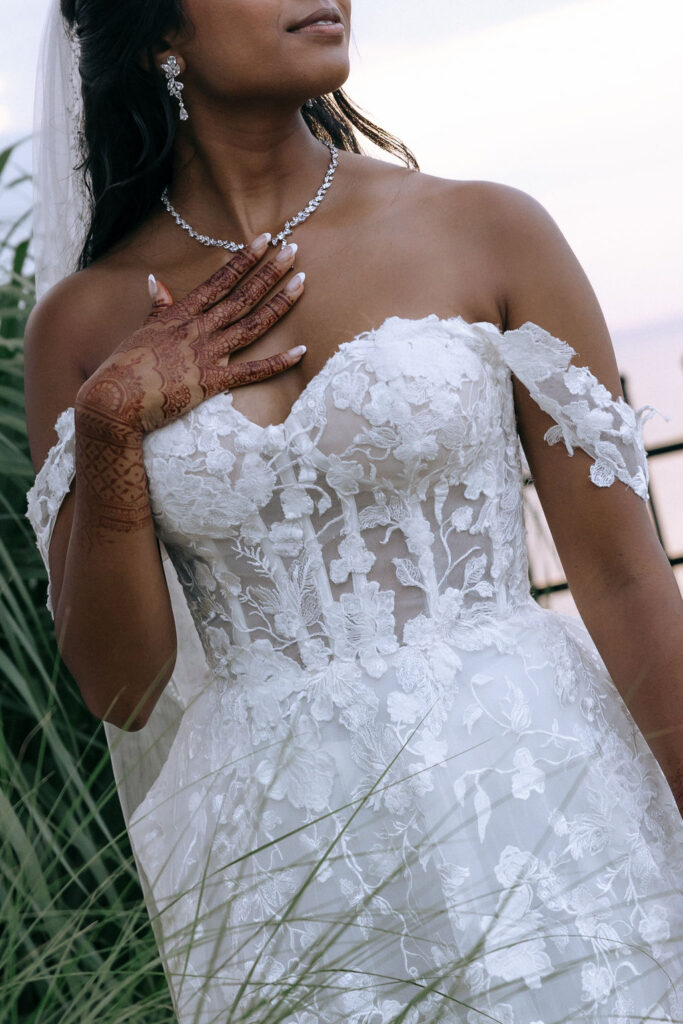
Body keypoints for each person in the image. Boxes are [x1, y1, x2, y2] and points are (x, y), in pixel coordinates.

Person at [23, 0, 683, 1021]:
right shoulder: (88, 321)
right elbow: (122, 685)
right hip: (279, 852)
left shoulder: (485, 229)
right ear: (158, 33)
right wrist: (111, 429)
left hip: (530, 788)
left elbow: (622, 575)